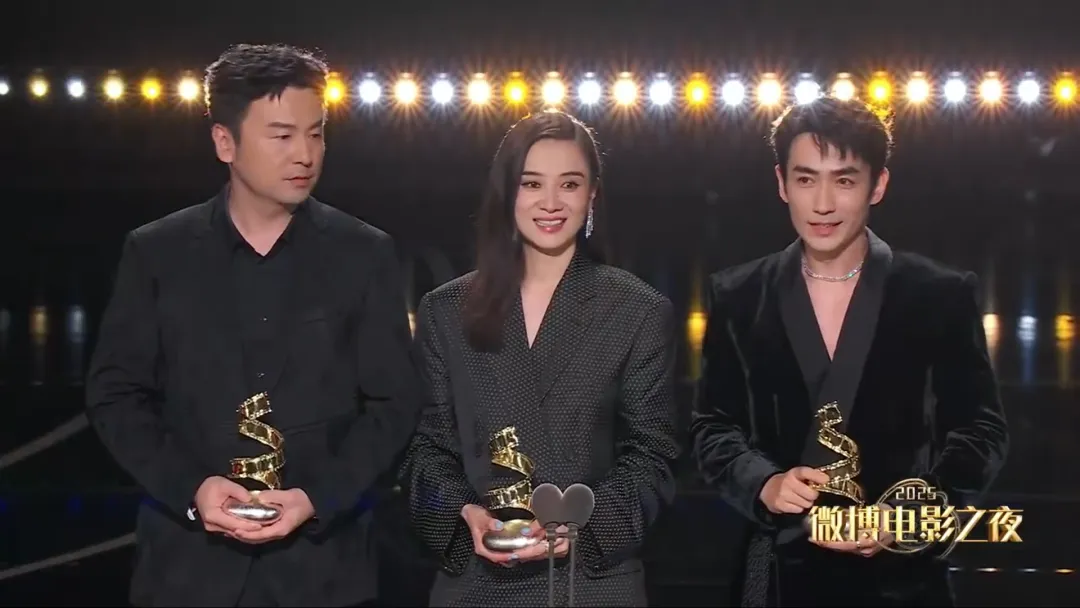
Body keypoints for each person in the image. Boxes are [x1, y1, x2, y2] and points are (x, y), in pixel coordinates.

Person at [85, 43, 423, 607]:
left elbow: (394, 404)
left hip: (324, 576)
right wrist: (192, 489)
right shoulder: (157, 253)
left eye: (316, 134)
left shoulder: (364, 254)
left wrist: (316, 497)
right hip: (185, 574)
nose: (305, 154)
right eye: (282, 135)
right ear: (225, 142)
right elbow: (115, 396)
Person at [690, 96, 1009, 606]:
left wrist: (904, 515)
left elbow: (980, 432)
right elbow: (713, 426)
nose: (822, 204)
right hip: (777, 576)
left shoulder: (939, 294)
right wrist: (764, 483)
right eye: (805, 179)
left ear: (877, 185)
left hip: (903, 581)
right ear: (781, 183)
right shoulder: (739, 295)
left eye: (844, 180)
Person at [398, 110, 681, 607]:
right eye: (532, 184)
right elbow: (425, 453)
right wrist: (462, 514)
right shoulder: (446, 310)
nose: (551, 202)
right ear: (507, 193)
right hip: (477, 583)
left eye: (569, 184)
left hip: (591, 584)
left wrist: (580, 528)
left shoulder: (636, 310)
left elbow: (653, 460)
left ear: (592, 195)